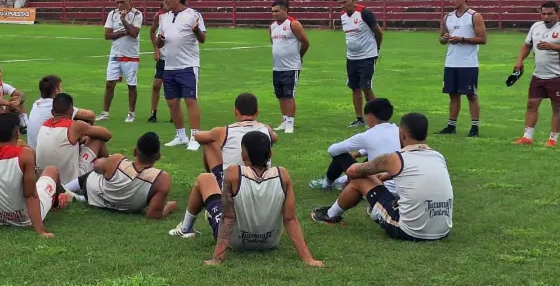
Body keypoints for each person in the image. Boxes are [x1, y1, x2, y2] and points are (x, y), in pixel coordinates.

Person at [169, 131, 322, 267]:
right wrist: (308, 259)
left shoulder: (233, 173)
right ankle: (189, 226)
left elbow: (227, 217)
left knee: (204, 179)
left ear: (243, 155)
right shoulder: (283, 175)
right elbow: (290, 219)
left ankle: (186, 228)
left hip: (236, 242)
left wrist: (217, 258)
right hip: (269, 242)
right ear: (269, 154)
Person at [311, 113, 454, 242]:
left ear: (402, 134)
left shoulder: (394, 159)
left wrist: (356, 167)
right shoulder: (438, 156)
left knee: (360, 179)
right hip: (442, 230)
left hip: (410, 231)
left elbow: (355, 172)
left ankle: (330, 215)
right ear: (425, 134)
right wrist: (384, 176)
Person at [64, 131, 177, 218]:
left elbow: (96, 167)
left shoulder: (117, 160)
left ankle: (66, 189)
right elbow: (153, 215)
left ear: (135, 151)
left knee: (97, 170)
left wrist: (104, 162)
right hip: (126, 206)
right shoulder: (162, 179)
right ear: (158, 156)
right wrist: (170, 206)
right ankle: (78, 196)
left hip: (93, 193)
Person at [308, 98, 400, 201]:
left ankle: (327, 184)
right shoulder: (398, 131)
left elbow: (332, 150)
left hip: (376, 186)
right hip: (399, 184)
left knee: (341, 155)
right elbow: (380, 146)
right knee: (373, 160)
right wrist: (357, 154)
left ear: (370, 115)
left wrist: (350, 154)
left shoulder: (367, 135)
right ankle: (341, 181)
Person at [155, 0, 206, 150]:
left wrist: (197, 31)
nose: (165, 0)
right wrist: (160, 41)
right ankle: (180, 135)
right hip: (169, 66)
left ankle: (195, 137)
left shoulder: (193, 15)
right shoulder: (165, 18)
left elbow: (203, 39)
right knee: (172, 102)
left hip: (187, 65)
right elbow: (158, 41)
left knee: (190, 101)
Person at [194, 93, 277, 186]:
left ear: (235, 112)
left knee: (209, 141)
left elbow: (198, 137)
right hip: (263, 180)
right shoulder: (266, 129)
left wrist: (215, 135)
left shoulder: (223, 131)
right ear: (257, 112)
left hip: (233, 183)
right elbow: (275, 137)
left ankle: (215, 180)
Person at [437, 0, 487, 137]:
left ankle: (474, 126)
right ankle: (451, 125)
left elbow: (483, 39)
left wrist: (462, 39)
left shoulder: (474, 16)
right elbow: (441, 38)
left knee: (471, 94)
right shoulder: (447, 17)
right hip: (451, 62)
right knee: (453, 94)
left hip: (468, 63)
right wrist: (445, 38)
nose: (451, 1)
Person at [35, 93, 112, 186]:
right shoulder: (75, 126)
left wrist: (82, 136)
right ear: (72, 111)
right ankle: (110, 174)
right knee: (97, 139)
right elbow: (107, 135)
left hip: (47, 179)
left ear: (52, 112)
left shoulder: (44, 125)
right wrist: (87, 134)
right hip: (71, 182)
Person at [513, 1, 560, 146]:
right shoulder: (536, 27)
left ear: (557, 13)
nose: (546, 17)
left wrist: (553, 46)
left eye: (549, 14)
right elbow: (527, 45)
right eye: (543, 13)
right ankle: (527, 137)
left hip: (557, 75)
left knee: (557, 107)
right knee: (531, 105)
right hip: (538, 74)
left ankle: (552, 139)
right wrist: (520, 60)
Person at [337, 0, 383, 127]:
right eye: (340, 3)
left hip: (367, 56)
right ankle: (359, 118)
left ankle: (377, 117)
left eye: (344, 2)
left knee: (366, 87)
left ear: (353, 0)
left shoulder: (365, 13)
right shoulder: (343, 16)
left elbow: (378, 32)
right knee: (354, 87)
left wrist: (376, 48)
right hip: (351, 58)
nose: (342, 5)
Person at [96, 0, 143, 123]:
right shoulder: (112, 14)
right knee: (109, 84)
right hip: (115, 54)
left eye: (122, 2)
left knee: (131, 85)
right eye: (117, 2)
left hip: (131, 55)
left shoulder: (137, 14)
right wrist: (123, 31)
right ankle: (105, 113)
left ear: (129, 1)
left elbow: (134, 33)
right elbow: (107, 35)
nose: (119, 5)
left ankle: (131, 113)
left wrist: (123, 20)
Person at [270, 0, 309, 134]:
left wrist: (299, 57)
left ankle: (290, 124)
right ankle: (285, 120)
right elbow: (274, 44)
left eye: (277, 11)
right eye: (272, 11)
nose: (274, 14)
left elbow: (305, 42)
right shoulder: (272, 27)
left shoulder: (293, 24)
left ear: (285, 10)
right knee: (280, 95)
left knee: (289, 94)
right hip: (277, 67)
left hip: (291, 67)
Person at [28, 75, 95, 149]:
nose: (62, 90)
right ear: (57, 91)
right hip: (47, 152)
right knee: (96, 139)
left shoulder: (36, 104)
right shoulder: (56, 105)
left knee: (73, 120)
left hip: (34, 151)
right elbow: (90, 115)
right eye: (61, 87)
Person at [148, 0, 171, 123]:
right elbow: (152, 31)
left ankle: (174, 113)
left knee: (171, 86)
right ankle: (153, 113)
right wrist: (156, 49)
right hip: (162, 57)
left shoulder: (179, 17)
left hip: (174, 58)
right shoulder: (159, 16)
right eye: (163, 5)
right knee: (156, 85)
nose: (165, 7)